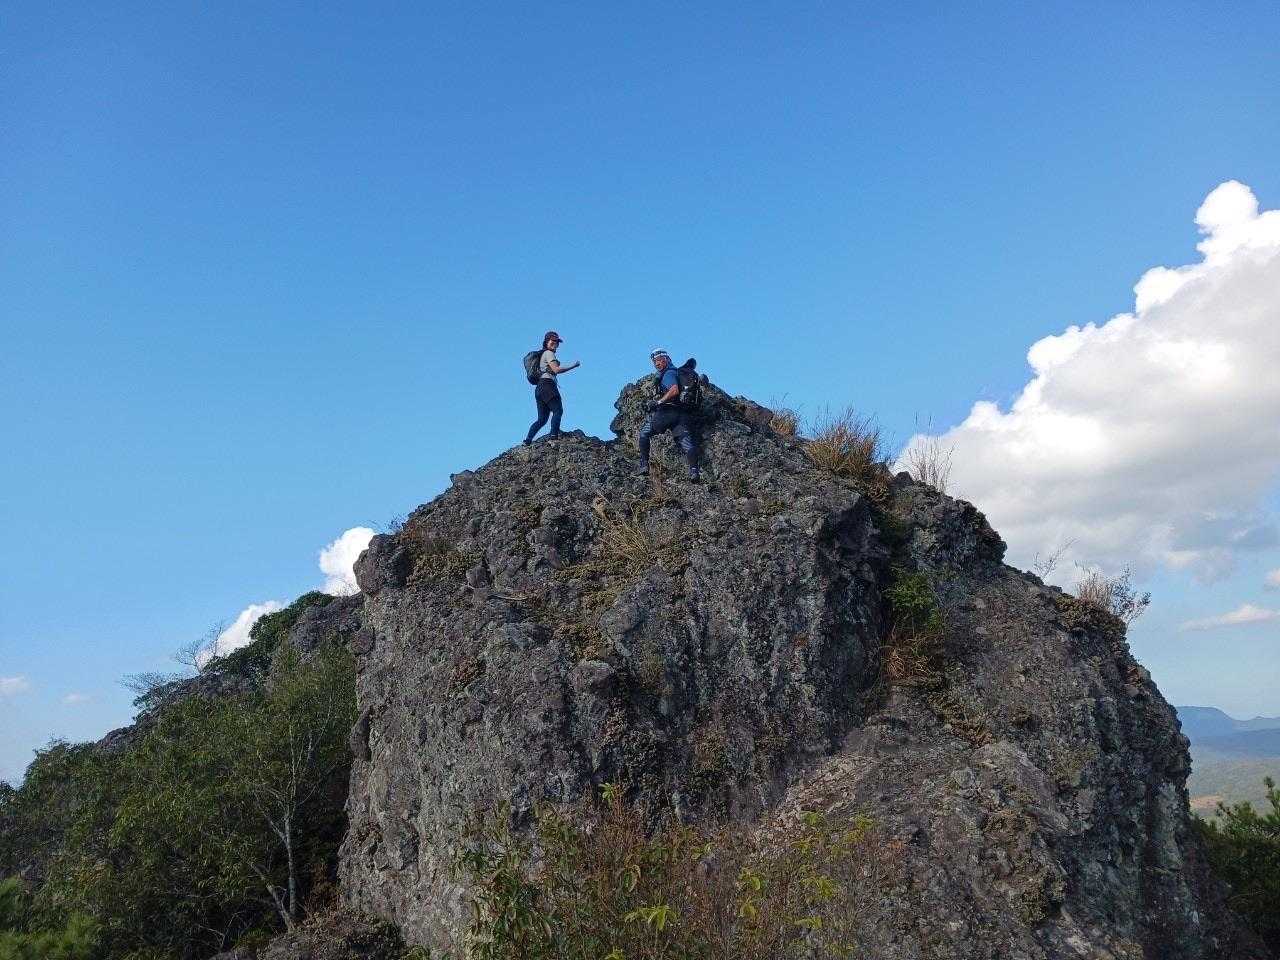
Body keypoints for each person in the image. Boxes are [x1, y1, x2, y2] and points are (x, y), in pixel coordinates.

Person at [636, 349, 700, 481]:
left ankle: (644, 465)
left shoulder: (668, 374)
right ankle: (694, 471)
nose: (657, 364)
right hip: (682, 414)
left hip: (666, 412)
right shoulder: (678, 373)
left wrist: (658, 402)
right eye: (655, 362)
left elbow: (674, 390)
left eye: (659, 360)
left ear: (666, 359)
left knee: (644, 433)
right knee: (687, 443)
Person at [524, 331, 579, 445]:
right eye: (553, 341)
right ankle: (553, 437)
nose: (556, 343)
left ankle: (527, 440)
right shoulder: (548, 353)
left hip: (539, 388)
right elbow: (556, 370)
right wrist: (573, 366)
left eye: (557, 342)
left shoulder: (542, 355)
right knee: (558, 410)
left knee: (542, 419)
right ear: (546, 342)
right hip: (547, 385)